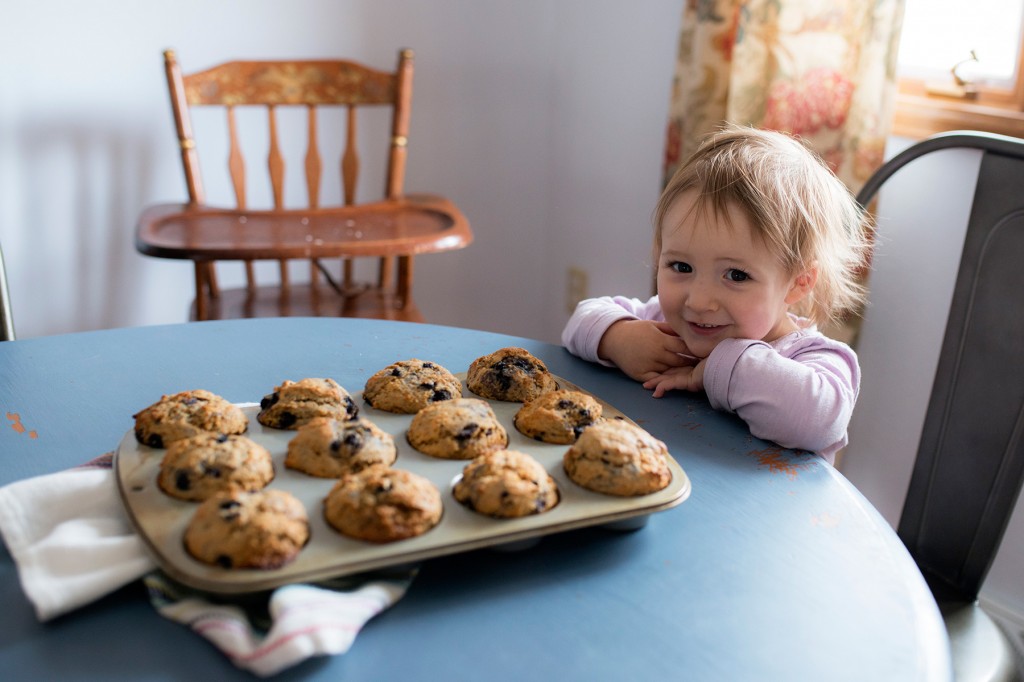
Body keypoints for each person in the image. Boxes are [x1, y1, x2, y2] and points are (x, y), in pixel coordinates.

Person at [562, 125, 872, 465]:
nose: (698, 301)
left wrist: (716, 369)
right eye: (681, 266)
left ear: (799, 281)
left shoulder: (811, 358)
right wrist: (618, 337)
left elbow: (817, 421)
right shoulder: (664, 327)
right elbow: (581, 321)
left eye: (736, 275)